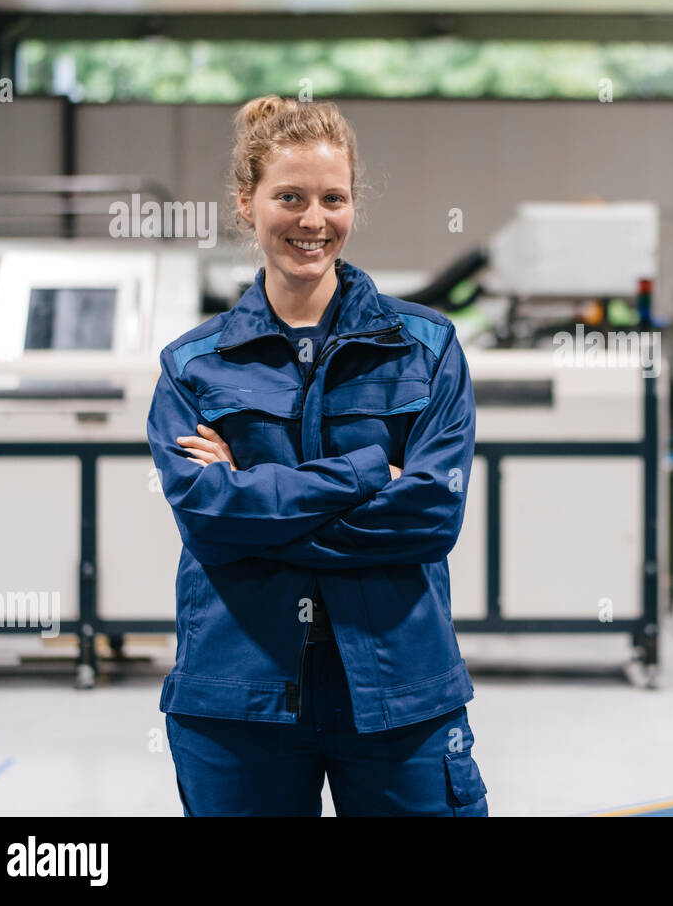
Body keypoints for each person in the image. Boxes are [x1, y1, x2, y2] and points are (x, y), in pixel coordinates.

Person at [147, 95, 488, 816]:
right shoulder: (194, 367)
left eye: (333, 198)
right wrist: (368, 475)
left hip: (399, 691)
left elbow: (430, 515)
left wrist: (259, 505)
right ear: (247, 202)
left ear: (353, 204)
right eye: (290, 197)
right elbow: (209, 520)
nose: (313, 220)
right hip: (239, 697)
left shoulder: (426, 350)